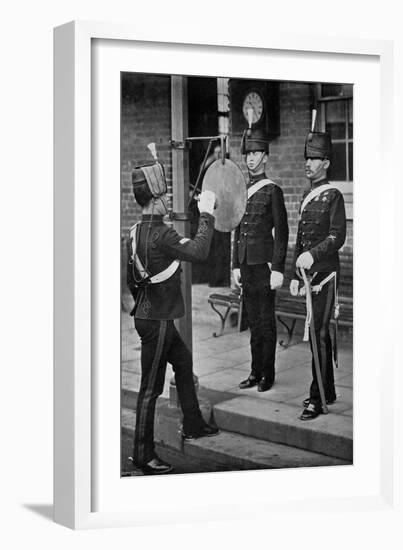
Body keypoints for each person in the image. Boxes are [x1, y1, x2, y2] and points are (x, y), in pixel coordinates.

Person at [127, 157, 219, 475]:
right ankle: (143, 455)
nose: (168, 201)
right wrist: (206, 213)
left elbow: (131, 280)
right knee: (149, 389)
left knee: (183, 362)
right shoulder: (162, 234)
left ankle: (192, 424)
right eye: (164, 196)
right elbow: (198, 251)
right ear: (154, 198)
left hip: (149, 314)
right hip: (159, 321)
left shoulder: (135, 231)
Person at [290, 130, 346, 420]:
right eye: (307, 158)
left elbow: (338, 236)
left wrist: (314, 255)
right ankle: (329, 390)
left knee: (319, 335)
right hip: (308, 277)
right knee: (317, 336)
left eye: (314, 159)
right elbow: (300, 238)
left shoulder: (333, 195)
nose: (308, 164)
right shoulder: (305, 196)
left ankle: (317, 398)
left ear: (325, 162)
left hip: (326, 276)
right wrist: (295, 275)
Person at [232, 128, 289, 392]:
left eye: (256, 154)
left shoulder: (272, 190)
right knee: (253, 322)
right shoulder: (242, 190)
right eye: (248, 154)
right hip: (246, 265)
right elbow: (236, 228)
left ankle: (268, 373)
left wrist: (278, 268)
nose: (251, 159)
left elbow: (282, 232)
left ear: (265, 157)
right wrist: (235, 264)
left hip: (264, 267)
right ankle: (255, 372)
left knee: (266, 321)